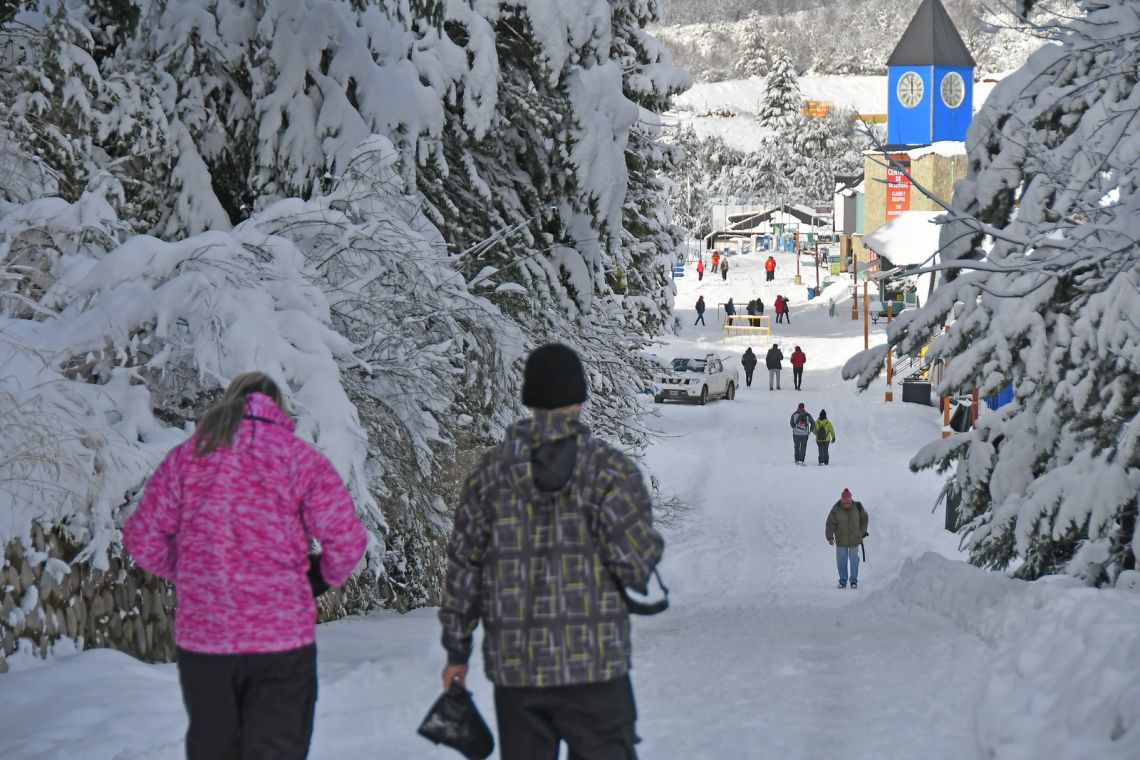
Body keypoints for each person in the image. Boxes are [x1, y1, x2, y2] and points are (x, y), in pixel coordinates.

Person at [123, 372, 368, 760]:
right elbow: (349, 540)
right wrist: (319, 576)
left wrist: (191, 570)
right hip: (281, 641)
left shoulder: (187, 459)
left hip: (206, 641)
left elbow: (142, 538)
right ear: (279, 409)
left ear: (228, 403)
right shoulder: (300, 460)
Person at [439, 344, 665, 760]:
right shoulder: (611, 471)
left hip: (517, 669)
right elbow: (636, 568)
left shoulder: (489, 474)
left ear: (529, 399)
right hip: (595, 665)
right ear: (579, 398)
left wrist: (457, 652)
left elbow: (463, 572)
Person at [826, 488, 869, 589]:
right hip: (841, 540)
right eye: (844, 502)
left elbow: (865, 518)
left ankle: (853, 581)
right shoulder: (836, 509)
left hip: (855, 540)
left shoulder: (858, 507)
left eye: (848, 502)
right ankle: (843, 581)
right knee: (842, 561)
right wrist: (829, 537)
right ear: (841, 500)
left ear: (851, 499)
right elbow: (830, 523)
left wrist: (861, 531)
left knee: (854, 560)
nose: (846, 504)